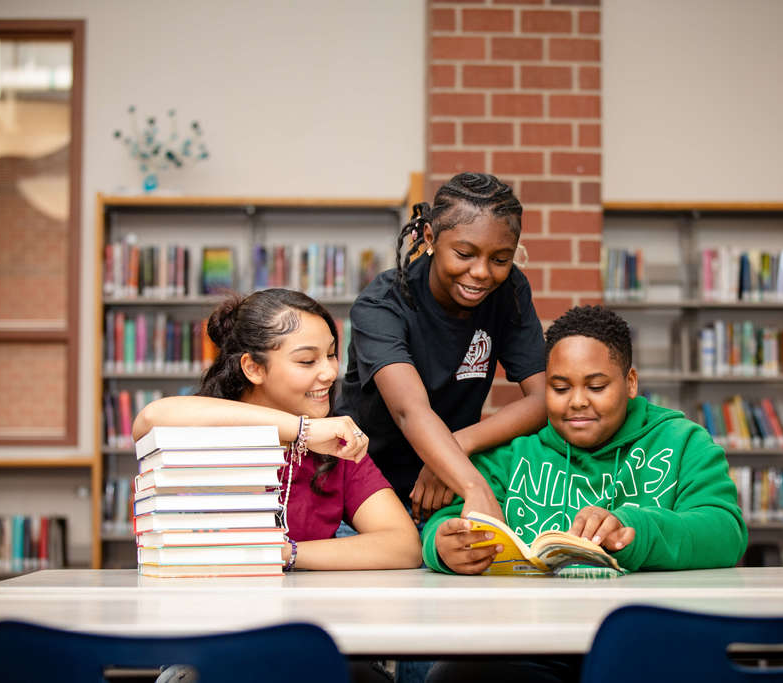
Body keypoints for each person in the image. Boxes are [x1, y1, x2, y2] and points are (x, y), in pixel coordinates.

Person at [421, 305, 748, 683]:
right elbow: (448, 521)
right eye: (560, 388)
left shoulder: (683, 442)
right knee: (452, 677)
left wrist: (634, 528)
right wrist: (441, 546)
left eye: (596, 387)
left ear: (630, 383)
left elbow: (726, 531)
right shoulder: (513, 452)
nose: (577, 401)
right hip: (531, 644)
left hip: (648, 642)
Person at [132, 289, 422, 572]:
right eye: (307, 361)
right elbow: (151, 417)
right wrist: (302, 430)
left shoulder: (336, 447)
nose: (330, 373)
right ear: (254, 368)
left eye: (331, 355)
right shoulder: (206, 426)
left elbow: (403, 545)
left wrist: (283, 552)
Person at [336, 172, 547, 525]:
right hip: (362, 493)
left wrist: (456, 448)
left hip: (443, 492)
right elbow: (409, 411)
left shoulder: (509, 291)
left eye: (500, 259)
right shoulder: (382, 304)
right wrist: (472, 484)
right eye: (465, 253)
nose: (481, 272)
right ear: (431, 237)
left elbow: (543, 399)